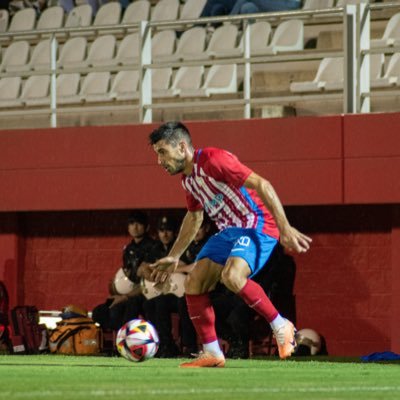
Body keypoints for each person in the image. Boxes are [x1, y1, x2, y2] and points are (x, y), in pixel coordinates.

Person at [148, 121, 312, 368]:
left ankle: (281, 326)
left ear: (182, 147)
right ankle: (213, 352)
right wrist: (174, 256)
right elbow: (194, 217)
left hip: (257, 223)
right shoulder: (188, 181)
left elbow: (262, 184)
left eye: (162, 152)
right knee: (194, 284)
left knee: (232, 276)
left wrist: (285, 227)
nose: (159, 161)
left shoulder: (214, 159)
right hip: (228, 232)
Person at [92, 211, 156, 331]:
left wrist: (125, 296)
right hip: (128, 292)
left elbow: (148, 281)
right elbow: (127, 276)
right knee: (99, 312)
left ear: (147, 227)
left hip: (145, 292)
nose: (135, 227)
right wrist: (115, 288)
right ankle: (114, 341)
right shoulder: (128, 249)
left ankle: (127, 340)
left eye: (139, 224)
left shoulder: (153, 247)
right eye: (132, 224)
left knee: (123, 309)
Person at [230, 0, 302, 15]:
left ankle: (229, 23)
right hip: (274, 3)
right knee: (247, 7)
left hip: (290, 4)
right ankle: (252, 36)